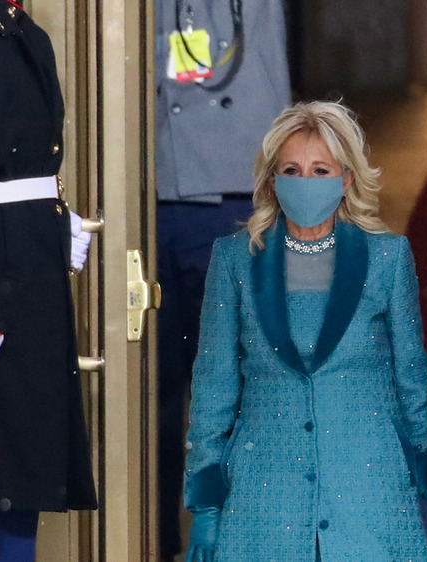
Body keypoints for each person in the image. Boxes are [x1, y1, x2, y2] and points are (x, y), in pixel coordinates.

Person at [181, 101, 427, 561]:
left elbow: (412, 380)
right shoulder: (235, 259)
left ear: (347, 178)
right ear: (272, 180)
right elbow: (213, 388)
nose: (306, 181)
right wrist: (207, 505)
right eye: (292, 170)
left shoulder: (388, 259)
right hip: (263, 504)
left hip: (369, 498)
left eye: (321, 170)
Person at [153, 0, 291, 556]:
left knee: (237, 395)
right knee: (147, 396)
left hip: (231, 198)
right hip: (145, 191)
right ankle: (152, 540)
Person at [0, 0, 98, 559]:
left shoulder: (22, 32)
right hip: (0, 287)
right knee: (0, 481)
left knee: (21, 482)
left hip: (23, 276)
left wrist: (53, 226)